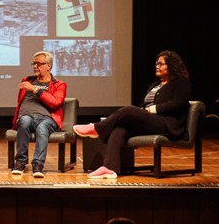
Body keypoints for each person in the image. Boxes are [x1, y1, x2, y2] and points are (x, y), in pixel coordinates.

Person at [75, 50, 191, 180]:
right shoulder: (154, 85)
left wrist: (150, 110)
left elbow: (177, 104)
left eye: (161, 64)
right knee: (119, 131)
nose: (157, 66)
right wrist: (142, 112)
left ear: (171, 65)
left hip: (165, 124)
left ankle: (97, 128)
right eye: (156, 63)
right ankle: (109, 168)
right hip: (150, 122)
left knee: (129, 110)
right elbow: (143, 105)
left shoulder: (181, 82)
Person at [11, 51, 67, 178]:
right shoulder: (27, 80)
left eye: (39, 64)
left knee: (42, 128)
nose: (35, 66)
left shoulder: (59, 84)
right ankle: (20, 162)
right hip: (27, 116)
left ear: (49, 66)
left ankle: (38, 165)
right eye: (34, 64)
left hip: (47, 119)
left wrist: (35, 90)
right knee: (24, 121)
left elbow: (56, 103)